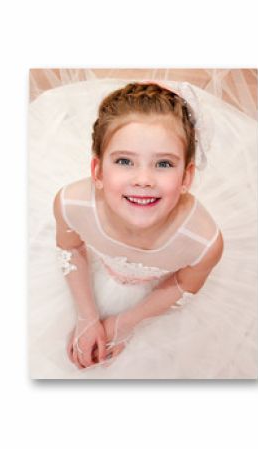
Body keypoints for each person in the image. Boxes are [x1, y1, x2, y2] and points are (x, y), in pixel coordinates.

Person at [53, 81, 224, 370]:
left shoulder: (202, 242)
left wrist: (124, 323)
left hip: (152, 301)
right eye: (124, 161)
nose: (143, 179)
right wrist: (87, 316)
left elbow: (182, 283)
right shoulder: (72, 206)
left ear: (186, 177)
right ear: (97, 171)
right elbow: (70, 249)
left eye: (164, 164)